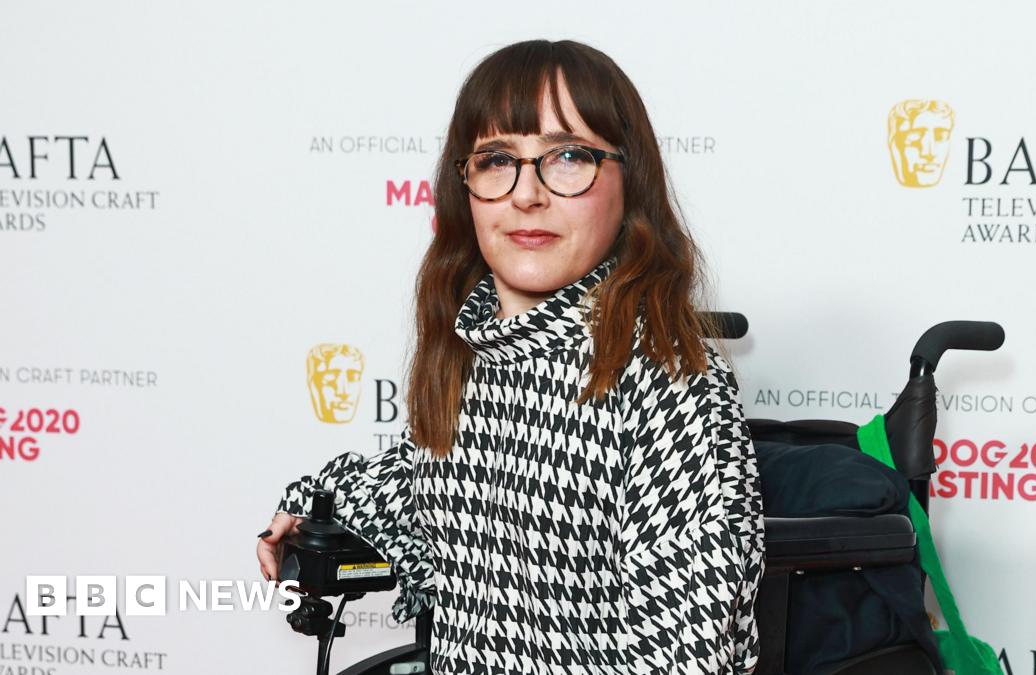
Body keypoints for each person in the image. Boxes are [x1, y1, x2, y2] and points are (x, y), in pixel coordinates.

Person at [256, 39, 765, 675]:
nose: (528, 194)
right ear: (463, 186)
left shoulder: (670, 380)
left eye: (569, 157)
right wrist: (317, 501)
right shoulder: (476, 354)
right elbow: (418, 484)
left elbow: (683, 658)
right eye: (498, 160)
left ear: (629, 182)